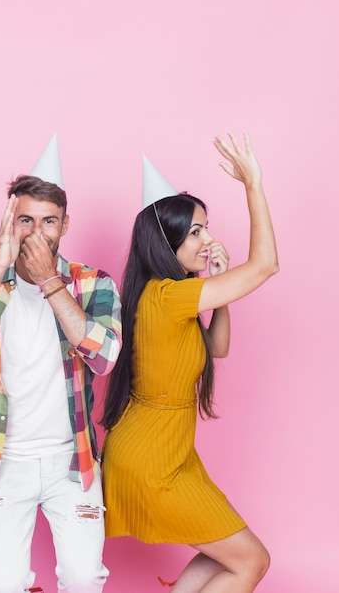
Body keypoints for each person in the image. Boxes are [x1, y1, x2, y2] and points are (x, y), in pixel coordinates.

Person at [102, 132, 278, 593]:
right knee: (251, 561)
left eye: (205, 227)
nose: (207, 240)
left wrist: (219, 288)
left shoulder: (168, 296)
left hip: (172, 451)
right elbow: (264, 265)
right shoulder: (166, 296)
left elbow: (216, 349)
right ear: (166, 244)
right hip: (153, 457)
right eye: (195, 232)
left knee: (226, 554)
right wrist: (253, 184)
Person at [0, 136, 122, 593]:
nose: (37, 232)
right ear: (9, 221)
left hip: (73, 461)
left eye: (49, 221)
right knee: (2, 583)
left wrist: (49, 281)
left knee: (84, 579)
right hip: (3, 460)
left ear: (65, 225)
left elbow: (103, 359)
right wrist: (0, 262)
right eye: (26, 220)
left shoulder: (93, 284)